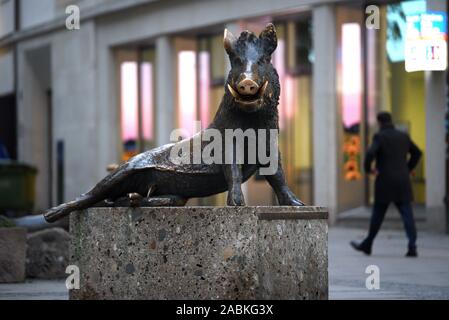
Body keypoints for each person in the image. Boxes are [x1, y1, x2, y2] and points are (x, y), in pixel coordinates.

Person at [350, 112, 422, 257]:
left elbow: (370, 153)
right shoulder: (403, 136)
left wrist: (368, 169)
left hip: (385, 181)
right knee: (407, 214)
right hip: (402, 181)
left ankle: (368, 244)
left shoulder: (380, 136)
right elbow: (417, 153)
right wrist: (407, 168)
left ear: (379, 123)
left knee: (377, 215)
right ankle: (412, 246)